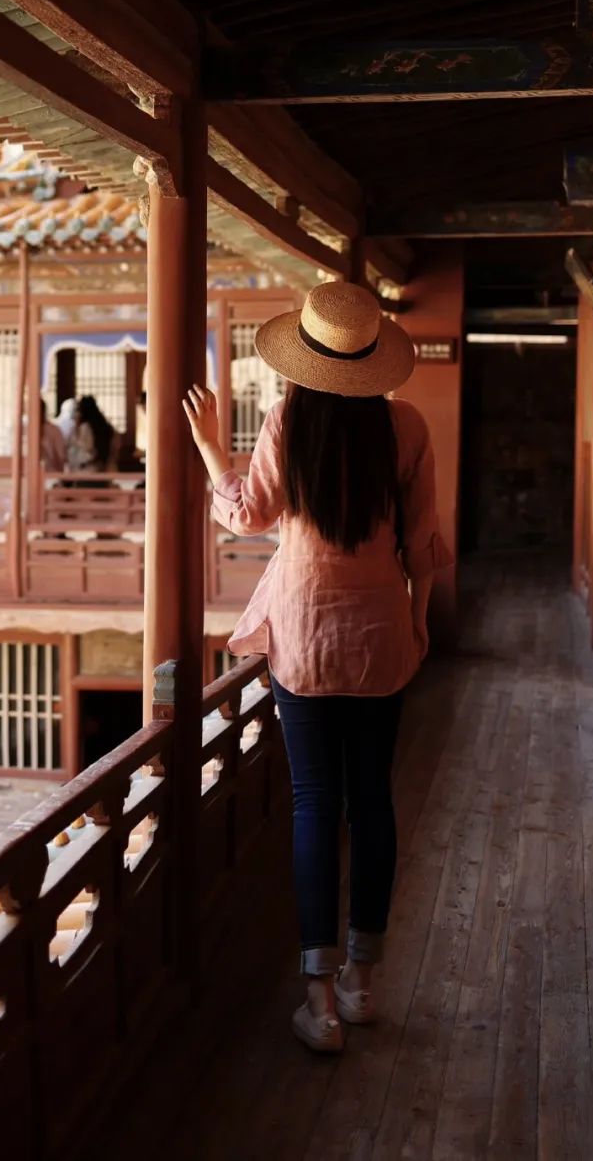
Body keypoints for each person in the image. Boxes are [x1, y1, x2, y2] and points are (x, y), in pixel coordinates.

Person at [183, 281, 441, 1055]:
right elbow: (422, 544)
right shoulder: (407, 426)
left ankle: (320, 1003)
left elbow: (248, 515)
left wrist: (209, 448)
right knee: (373, 801)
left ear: (308, 356)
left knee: (314, 804)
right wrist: (418, 621)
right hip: (380, 636)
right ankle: (363, 984)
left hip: (303, 635)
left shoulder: (288, 421)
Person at [65, 393, 116, 473]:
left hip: (85, 469)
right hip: (100, 468)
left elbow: (85, 449)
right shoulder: (103, 427)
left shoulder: (84, 427)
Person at [40, 398, 66, 472]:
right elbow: (61, 456)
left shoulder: (54, 430)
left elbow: (61, 456)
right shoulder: (54, 430)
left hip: (50, 473)